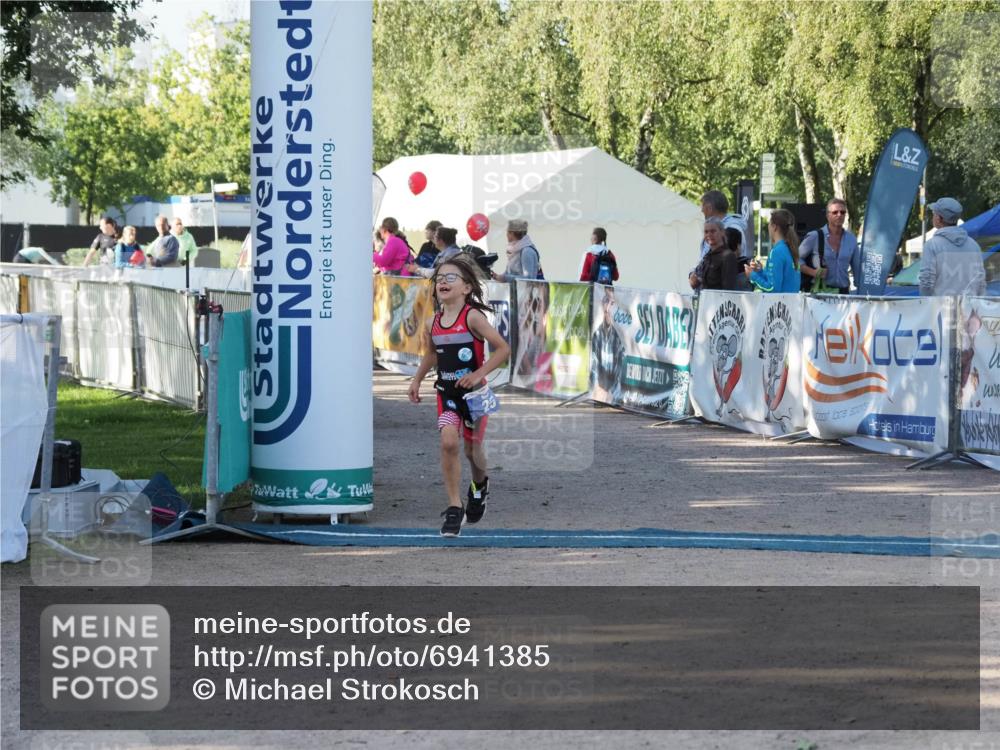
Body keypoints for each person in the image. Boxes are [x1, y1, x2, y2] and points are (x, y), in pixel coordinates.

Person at [408, 255, 510, 537]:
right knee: (449, 443)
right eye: (440, 277)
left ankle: (480, 486)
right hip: (448, 393)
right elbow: (431, 354)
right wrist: (416, 380)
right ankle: (454, 506)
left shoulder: (473, 317)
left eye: (451, 277)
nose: (443, 281)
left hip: (475, 396)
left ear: (466, 287)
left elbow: (502, 349)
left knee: (472, 450)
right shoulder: (433, 323)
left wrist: (478, 375)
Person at [919, 198, 986, 296]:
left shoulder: (932, 245)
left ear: (939, 218)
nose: (933, 216)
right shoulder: (974, 245)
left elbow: (926, 282)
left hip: (941, 309)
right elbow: (981, 282)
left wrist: (926, 306)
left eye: (934, 213)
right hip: (968, 309)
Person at [798, 198, 860, 294]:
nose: (839, 215)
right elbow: (795, 259)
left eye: (842, 212)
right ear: (827, 215)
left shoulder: (851, 239)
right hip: (820, 292)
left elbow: (857, 269)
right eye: (835, 212)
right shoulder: (815, 236)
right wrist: (813, 272)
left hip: (843, 293)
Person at [691, 190, 748, 285]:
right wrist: (696, 273)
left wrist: (698, 276)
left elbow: (721, 262)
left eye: (702, 207)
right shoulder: (719, 226)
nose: (701, 210)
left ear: (709, 208)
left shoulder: (731, 228)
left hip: (720, 290)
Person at [748, 209, 800, 293]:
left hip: (780, 305)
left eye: (769, 224)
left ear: (774, 227)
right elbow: (779, 281)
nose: (768, 227)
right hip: (791, 304)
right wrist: (760, 272)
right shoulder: (791, 249)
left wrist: (752, 276)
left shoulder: (777, 251)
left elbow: (772, 289)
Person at [591, 285, 625, 402]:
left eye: (612, 303)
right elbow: (593, 369)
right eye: (606, 301)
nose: (608, 308)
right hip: (598, 395)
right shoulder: (596, 336)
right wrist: (597, 390)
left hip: (612, 397)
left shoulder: (619, 339)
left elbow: (620, 376)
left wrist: (611, 394)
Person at [690, 218, 742, 291]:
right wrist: (693, 277)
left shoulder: (728, 256)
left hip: (718, 301)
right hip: (704, 299)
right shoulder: (707, 257)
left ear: (722, 232)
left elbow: (728, 290)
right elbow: (693, 284)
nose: (709, 234)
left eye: (713, 231)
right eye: (706, 232)